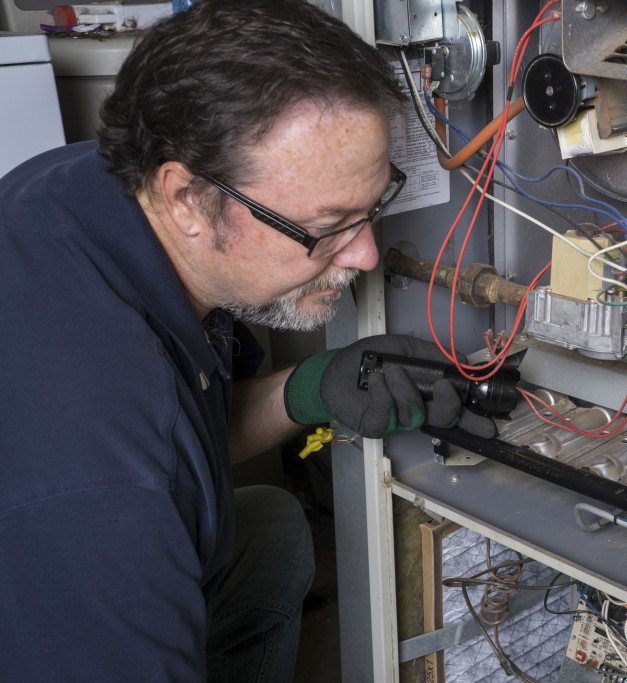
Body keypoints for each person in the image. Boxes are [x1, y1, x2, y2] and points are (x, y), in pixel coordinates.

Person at [0, 0, 490, 679]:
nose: (367, 256)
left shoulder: (90, 185)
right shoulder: (108, 484)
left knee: (273, 533)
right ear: (189, 200)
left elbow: (191, 432)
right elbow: (148, 456)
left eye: (373, 208)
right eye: (330, 224)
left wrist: (310, 387)